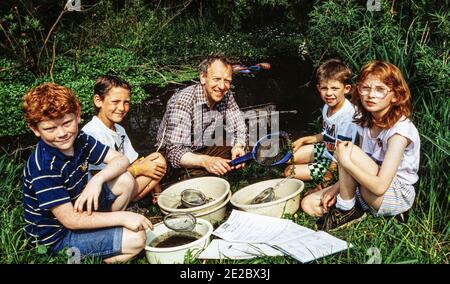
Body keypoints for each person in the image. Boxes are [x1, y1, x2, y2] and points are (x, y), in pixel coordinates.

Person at [22, 83, 153, 263]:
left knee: (125, 179)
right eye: (50, 129)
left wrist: (97, 180)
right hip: (58, 239)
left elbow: (121, 160)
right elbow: (70, 220)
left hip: (78, 209)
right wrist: (124, 217)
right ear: (35, 129)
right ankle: (97, 255)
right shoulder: (43, 166)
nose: (61, 133)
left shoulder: (80, 139)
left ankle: (106, 235)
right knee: (137, 239)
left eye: (67, 123)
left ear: (77, 115)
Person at [311, 61, 420, 231]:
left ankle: (347, 210)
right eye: (365, 88)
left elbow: (379, 186)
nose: (371, 95)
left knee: (347, 150)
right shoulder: (365, 120)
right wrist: (335, 188)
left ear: (396, 96)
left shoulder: (400, 131)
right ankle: (352, 206)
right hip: (366, 183)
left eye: (380, 89)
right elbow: (361, 162)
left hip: (394, 193)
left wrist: (345, 162)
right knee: (310, 204)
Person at [156, 55, 247, 179]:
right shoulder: (183, 101)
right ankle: (183, 177)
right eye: (217, 79)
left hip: (203, 145)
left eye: (227, 81)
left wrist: (238, 146)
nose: (222, 86)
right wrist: (206, 161)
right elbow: (175, 152)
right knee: (200, 173)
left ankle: (220, 171)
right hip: (175, 154)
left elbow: (238, 126)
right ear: (203, 78)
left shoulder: (226, 95)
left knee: (248, 148)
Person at [82, 75, 167, 202]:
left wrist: (157, 190)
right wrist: (139, 170)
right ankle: (118, 210)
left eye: (126, 102)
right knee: (128, 177)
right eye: (115, 102)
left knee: (158, 158)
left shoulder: (119, 129)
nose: (122, 108)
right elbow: (97, 177)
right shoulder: (91, 133)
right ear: (98, 101)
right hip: (101, 193)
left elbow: (133, 161)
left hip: (124, 183)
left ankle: (133, 201)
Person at [285, 59, 356, 187]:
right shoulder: (327, 106)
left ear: (346, 89)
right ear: (318, 88)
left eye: (335, 88)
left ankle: (333, 177)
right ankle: (315, 164)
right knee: (289, 158)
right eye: (324, 88)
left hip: (338, 161)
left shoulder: (347, 116)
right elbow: (326, 134)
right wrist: (303, 140)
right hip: (326, 150)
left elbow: (341, 153)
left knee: (290, 171)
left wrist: (327, 179)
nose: (329, 93)